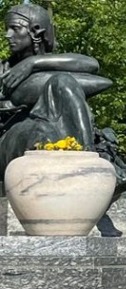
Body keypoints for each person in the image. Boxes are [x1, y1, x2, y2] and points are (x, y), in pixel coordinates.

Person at [0, 4, 111, 175]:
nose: (8, 35)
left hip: (49, 128)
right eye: (7, 29)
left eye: (15, 28)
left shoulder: (51, 67)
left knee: (62, 82)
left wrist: (33, 63)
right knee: (44, 132)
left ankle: (88, 158)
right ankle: (89, 165)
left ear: (36, 32)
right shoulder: (3, 69)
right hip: (9, 139)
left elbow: (91, 65)